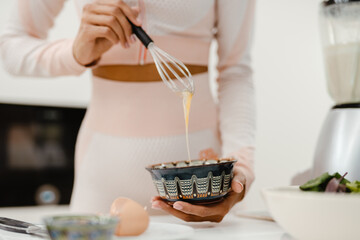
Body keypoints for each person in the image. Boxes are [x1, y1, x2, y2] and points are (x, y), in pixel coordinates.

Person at [0, 0, 255, 222]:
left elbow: (235, 71)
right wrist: (75, 52)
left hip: (198, 178)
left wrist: (242, 168)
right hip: (100, 176)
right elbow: (11, 47)